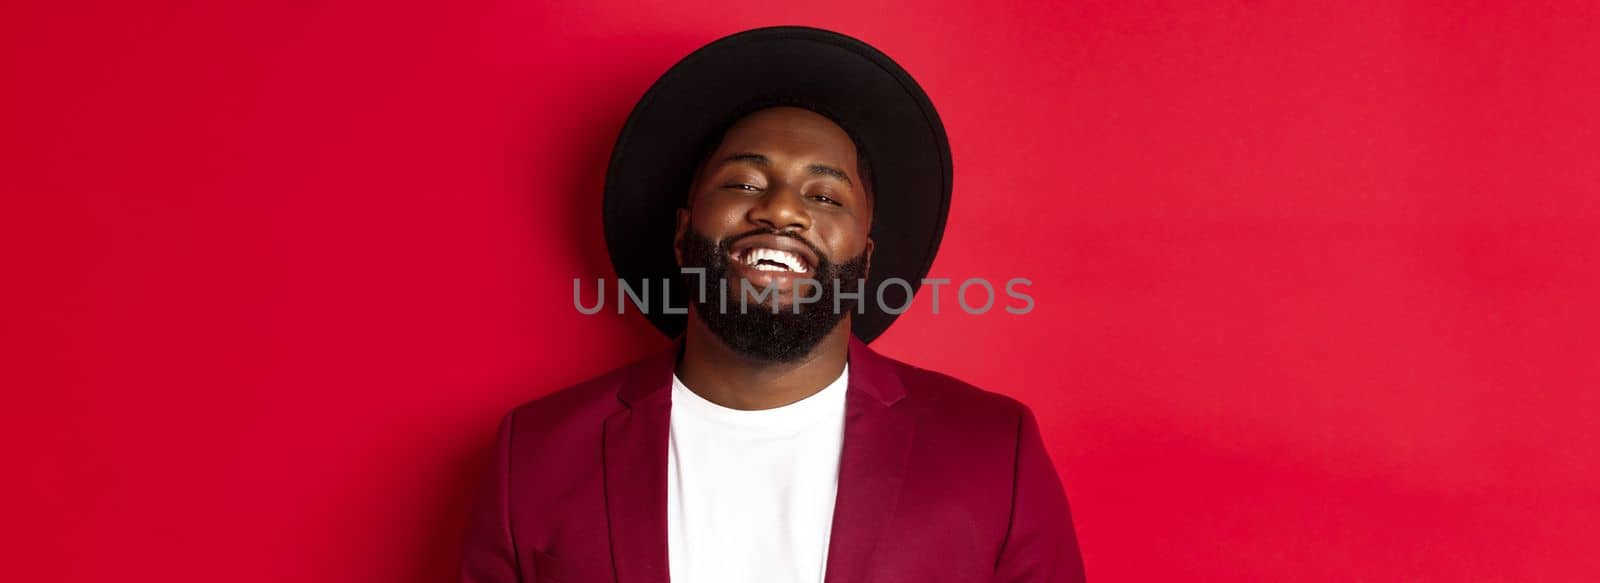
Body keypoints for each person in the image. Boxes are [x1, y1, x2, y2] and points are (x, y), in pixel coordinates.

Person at [460, 26, 1085, 583]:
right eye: (743, 183)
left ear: (864, 261)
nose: (782, 210)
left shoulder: (994, 453)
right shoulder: (535, 457)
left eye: (826, 196)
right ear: (682, 235)